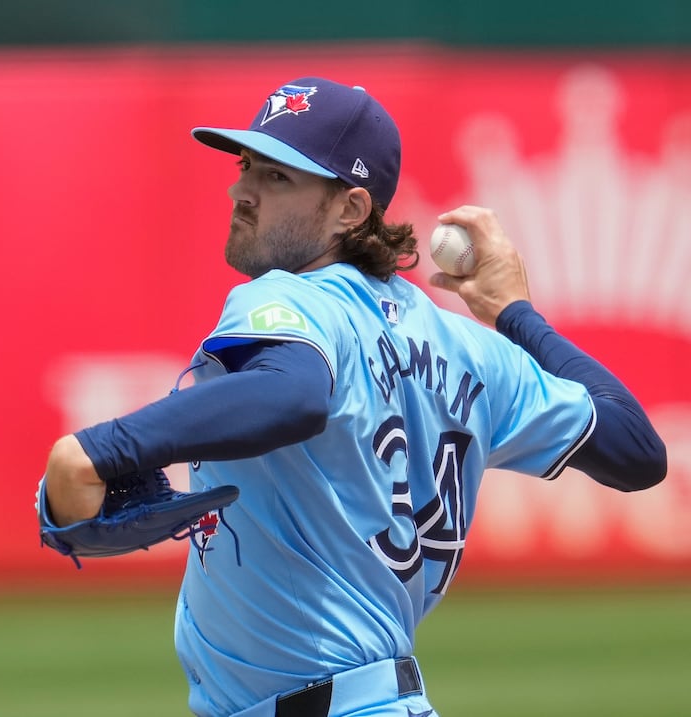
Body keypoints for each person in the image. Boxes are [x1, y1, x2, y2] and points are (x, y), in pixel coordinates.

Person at [41, 77, 667, 717]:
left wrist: (99, 450)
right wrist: (515, 315)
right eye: (246, 166)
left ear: (351, 209)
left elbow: (294, 392)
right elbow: (635, 448)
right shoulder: (471, 350)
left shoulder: (290, 297)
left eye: (277, 177)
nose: (242, 191)